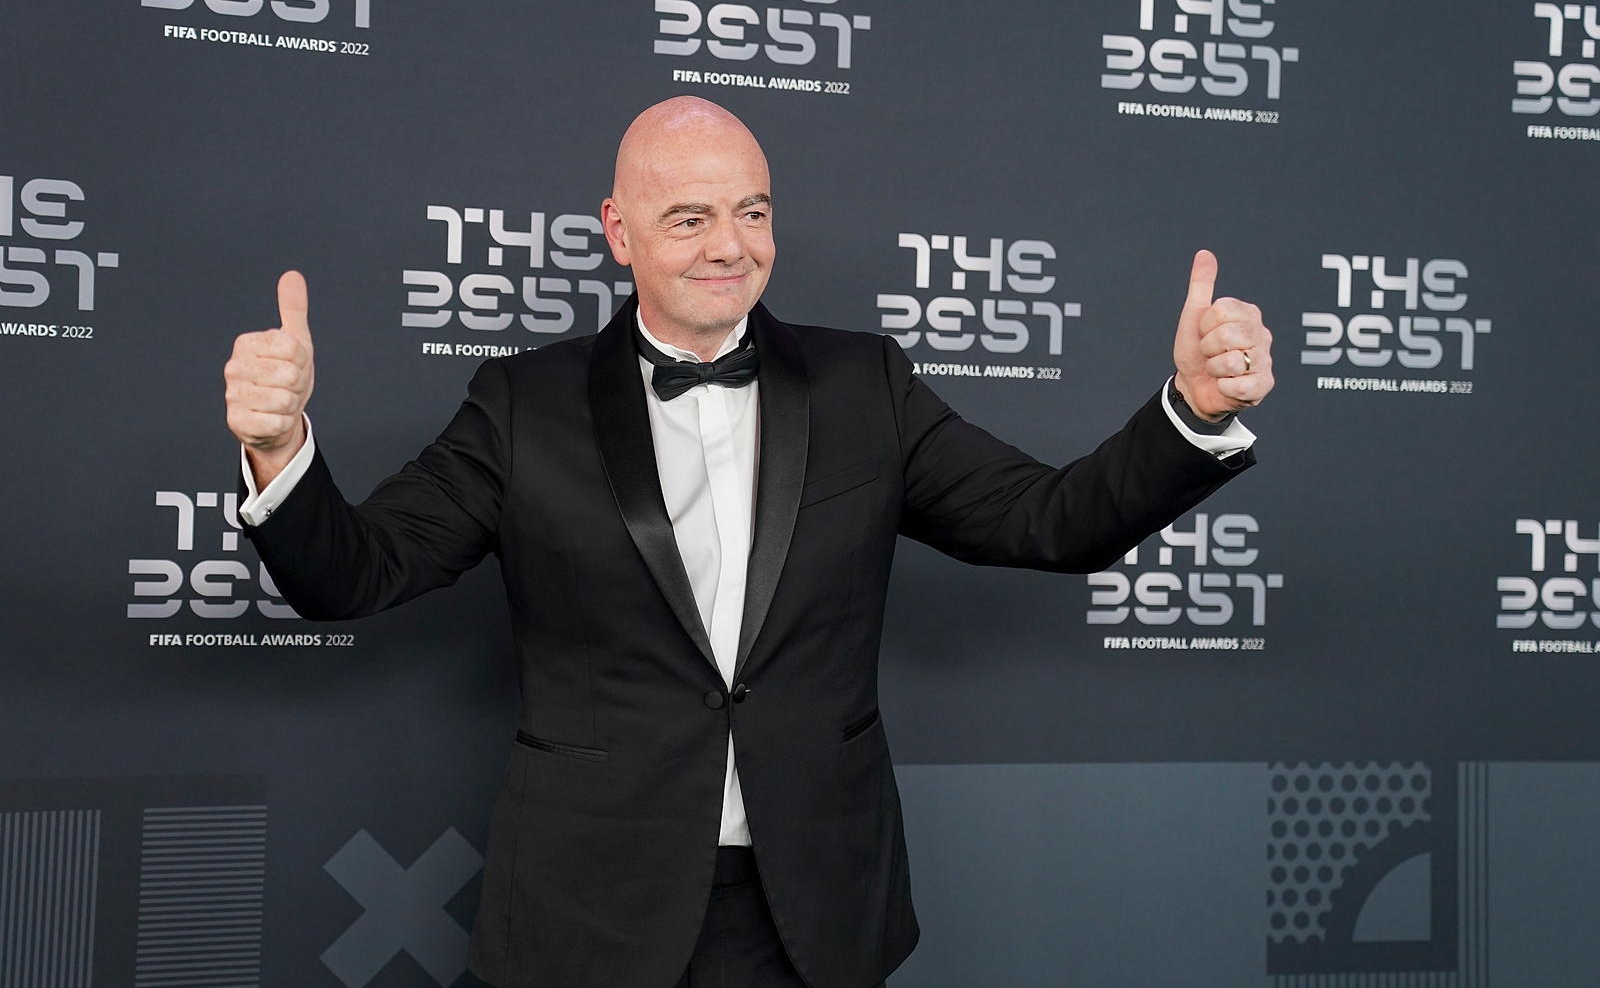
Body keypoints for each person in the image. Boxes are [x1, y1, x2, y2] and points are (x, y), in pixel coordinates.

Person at [224, 96, 1274, 988]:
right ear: (618, 230)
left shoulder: (867, 384)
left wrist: (1190, 405)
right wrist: (280, 448)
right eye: (687, 217)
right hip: (587, 908)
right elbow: (352, 572)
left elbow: (1051, 520)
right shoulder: (520, 404)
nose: (730, 245)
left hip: (810, 905)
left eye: (751, 211)